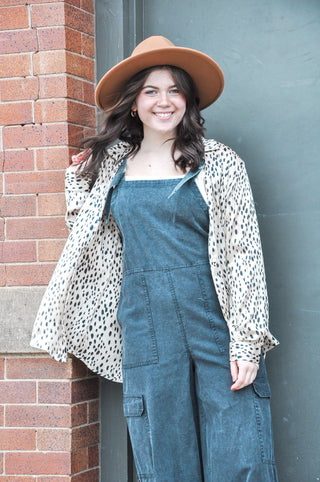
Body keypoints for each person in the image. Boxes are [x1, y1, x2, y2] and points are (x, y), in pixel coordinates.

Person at [31, 36, 279, 481]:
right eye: (150, 91)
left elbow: (245, 255)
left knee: (240, 457)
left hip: (216, 325)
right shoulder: (111, 166)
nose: (164, 102)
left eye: (174, 90)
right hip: (146, 328)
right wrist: (76, 182)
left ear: (189, 99)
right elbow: (90, 239)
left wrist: (247, 340)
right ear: (133, 104)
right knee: (164, 462)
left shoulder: (220, 163)